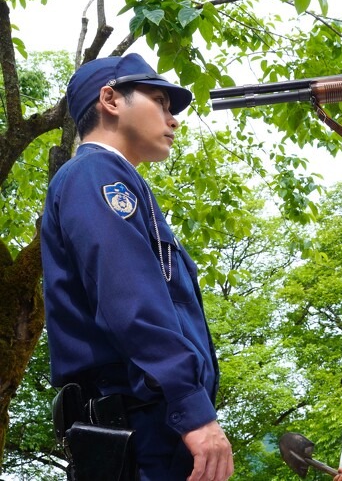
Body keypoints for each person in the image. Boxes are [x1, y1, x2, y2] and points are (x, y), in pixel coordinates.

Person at [41, 53, 234, 480]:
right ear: (110, 99)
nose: (174, 119)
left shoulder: (117, 181)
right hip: (138, 426)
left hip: (153, 422)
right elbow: (129, 301)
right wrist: (192, 409)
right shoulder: (94, 174)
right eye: (161, 102)